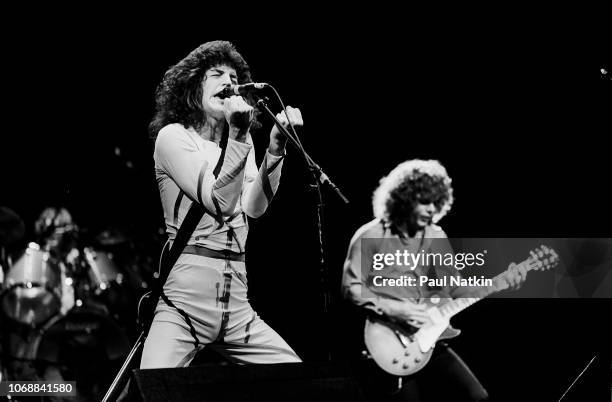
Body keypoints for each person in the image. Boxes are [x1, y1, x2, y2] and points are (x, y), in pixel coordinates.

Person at [141, 40, 302, 369]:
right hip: (183, 302)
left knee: (297, 379)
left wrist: (275, 148)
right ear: (193, 86)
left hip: (236, 301)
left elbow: (253, 207)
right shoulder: (174, 137)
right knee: (155, 387)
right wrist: (239, 136)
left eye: (233, 77)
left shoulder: (241, 143)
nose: (228, 82)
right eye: (216, 74)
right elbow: (220, 203)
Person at [341, 159, 527, 401]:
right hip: (387, 341)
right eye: (424, 201)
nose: (431, 209)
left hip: (429, 337)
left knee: (478, 397)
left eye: (435, 203)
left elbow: (454, 289)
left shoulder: (435, 235)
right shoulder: (371, 235)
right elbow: (351, 288)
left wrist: (501, 282)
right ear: (403, 199)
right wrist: (395, 309)